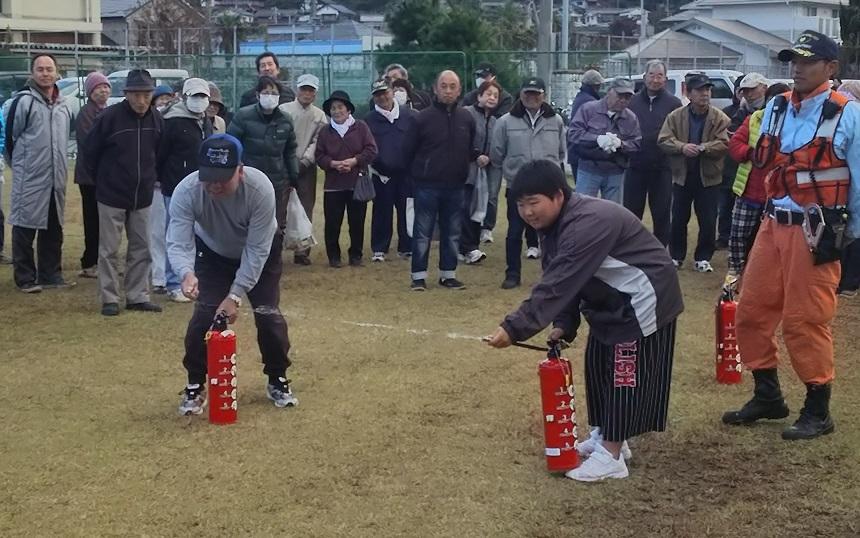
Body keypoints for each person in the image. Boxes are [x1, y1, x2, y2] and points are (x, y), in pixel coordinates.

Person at [485, 159, 683, 482]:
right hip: (612, 300)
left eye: (534, 203)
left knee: (624, 372)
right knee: (597, 362)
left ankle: (612, 455)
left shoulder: (586, 223)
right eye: (521, 205)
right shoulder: (552, 226)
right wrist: (564, 322)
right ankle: (605, 433)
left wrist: (513, 327)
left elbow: (558, 283)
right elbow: (561, 274)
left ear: (558, 196)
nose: (528, 212)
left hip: (645, 296)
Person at [722, 30, 860, 440]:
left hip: (817, 231)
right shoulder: (777, 107)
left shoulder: (848, 114)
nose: (796, 68)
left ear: (830, 68)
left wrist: (850, 237)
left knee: (806, 320)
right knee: (750, 312)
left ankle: (818, 410)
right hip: (773, 222)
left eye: (807, 61)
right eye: (792, 61)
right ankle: (768, 397)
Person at [169, 134, 297, 415]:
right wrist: (186, 273)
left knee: (268, 315)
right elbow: (178, 240)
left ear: (240, 170)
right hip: (212, 254)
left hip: (260, 254)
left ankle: (277, 378)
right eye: (208, 177)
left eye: (222, 178)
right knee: (204, 316)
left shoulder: (260, 189)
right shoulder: (187, 191)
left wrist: (235, 296)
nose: (214, 185)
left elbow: (256, 250)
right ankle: (195, 384)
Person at [84, 69, 163, 316]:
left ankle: (137, 295)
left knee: (142, 247)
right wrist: (102, 182)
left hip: (142, 195)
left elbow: (159, 153)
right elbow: (90, 152)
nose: (141, 100)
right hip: (111, 194)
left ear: (152, 94)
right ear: (126, 95)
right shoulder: (109, 118)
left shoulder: (157, 120)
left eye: (146, 94)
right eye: (136, 94)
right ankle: (109, 297)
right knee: (108, 249)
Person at [491, 77, 566, 289]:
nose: (532, 97)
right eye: (528, 93)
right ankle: (512, 274)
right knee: (514, 232)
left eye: (537, 93)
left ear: (544, 95)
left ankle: (552, 273)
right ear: (521, 94)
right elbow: (497, 154)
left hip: (547, 188)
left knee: (552, 234)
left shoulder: (556, 121)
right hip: (518, 186)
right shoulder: (504, 122)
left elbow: (561, 152)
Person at [403, 70, 475, 291]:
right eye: (443, 86)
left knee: (453, 232)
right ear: (435, 88)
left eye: (453, 86)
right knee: (422, 233)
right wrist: (417, 176)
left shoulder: (466, 118)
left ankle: (448, 274)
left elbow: (469, 148)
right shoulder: (421, 118)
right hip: (427, 185)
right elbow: (408, 151)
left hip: (456, 186)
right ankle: (418, 276)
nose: (448, 90)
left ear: (459, 89)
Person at [8, 54, 72, 293]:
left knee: (53, 227)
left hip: (56, 179)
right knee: (24, 227)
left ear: (56, 72)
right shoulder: (23, 102)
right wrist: (22, 166)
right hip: (30, 178)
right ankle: (25, 278)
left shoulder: (64, 104)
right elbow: (10, 139)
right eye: (40, 69)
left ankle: (50, 274)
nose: (45, 73)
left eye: (49, 69)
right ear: (32, 73)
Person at [658, 73, 730, 273]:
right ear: (688, 93)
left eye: (707, 90)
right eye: (699, 90)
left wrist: (704, 147)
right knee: (679, 218)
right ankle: (676, 256)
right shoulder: (675, 116)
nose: (704, 94)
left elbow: (725, 143)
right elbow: (663, 139)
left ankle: (703, 257)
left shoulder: (720, 117)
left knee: (708, 219)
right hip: (682, 175)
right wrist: (682, 147)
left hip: (709, 178)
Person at [155, 78, 214, 303]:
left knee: (202, 235)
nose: (199, 101)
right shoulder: (171, 121)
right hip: (175, 187)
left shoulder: (205, 120)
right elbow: (160, 153)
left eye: (203, 96)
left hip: (205, 186)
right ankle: (173, 282)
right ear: (184, 96)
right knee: (177, 235)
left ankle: (197, 279)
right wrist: (160, 178)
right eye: (195, 96)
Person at [725, 82, 790, 281]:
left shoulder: (794, 125)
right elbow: (735, 143)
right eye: (773, 100)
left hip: (777, 195)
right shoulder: (754, 118)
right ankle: (735, 270)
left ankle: (765, 274)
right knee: (738, 234)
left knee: (772, 239)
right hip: (749, 190)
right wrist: (752, 154)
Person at [315, 90, 378, 267]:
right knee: (332, 223)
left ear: (348, 109)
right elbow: (319, 156)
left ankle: (356, 255)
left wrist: (354, 161)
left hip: (356, 182)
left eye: (340, 107)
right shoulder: (325, 131)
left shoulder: (361, 127)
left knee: (357, 222)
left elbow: (371, 150)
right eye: (333, 108)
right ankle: (334, 256)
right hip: (333, 185)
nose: (337, 111)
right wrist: (333, 164)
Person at [228, 75, 299, 231]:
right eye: (266, 93)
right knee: (246, 222)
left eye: (274, 93)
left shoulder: (286, 120)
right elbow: (231, 146)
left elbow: (290, 151)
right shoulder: (243, 116)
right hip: (248, 180)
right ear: (257, 95)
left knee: (276, 225)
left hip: (277, 182)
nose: (270, 97)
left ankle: (274, 255)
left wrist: (294, 177)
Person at [624, 60, 682, 246]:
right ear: (644, 77)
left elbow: (678, 133)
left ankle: (660, 250)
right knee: (632, 212)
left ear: (665, 79)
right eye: (652, 75)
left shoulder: (674, 103)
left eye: (659, 76)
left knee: (662, 212)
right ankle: (630, 248)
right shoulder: (631, 101)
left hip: (662, 167)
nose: (655, 80)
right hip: (634, 166)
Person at [364, 79, 417, 262]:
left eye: (385, 92)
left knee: (407, 211)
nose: (382, 97)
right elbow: (368, 148)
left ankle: (407, 247)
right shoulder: (368, 120)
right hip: (382, 176)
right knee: (381, 212)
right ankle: (379, 248)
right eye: (378, 94)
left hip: (406, 175)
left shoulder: (409, 116)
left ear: (392, 92)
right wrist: (379, 167)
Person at [568, 78, 641, 204]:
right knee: (583, 209)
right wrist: (597, 139)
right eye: (620, 95)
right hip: (588, 169)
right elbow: (573, 134)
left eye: (627, 97)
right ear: (609, 92)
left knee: (613, 214)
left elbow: (636, 143)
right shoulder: (588, 110)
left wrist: (621, 144)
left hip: (616, 172)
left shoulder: (631, 118)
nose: (623, 100)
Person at [718, 74, 769, 249]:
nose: (749, 94)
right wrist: (752, 153)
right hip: (735, 170)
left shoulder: (773, 113)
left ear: (764, 88)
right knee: (728, 211)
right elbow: (732, 141)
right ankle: (724, 238)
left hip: (762, 181)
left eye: (752, 89)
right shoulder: (735, 112)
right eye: (745, 90)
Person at [281, 73, 327, 265]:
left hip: (306, 168)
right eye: (304, 89)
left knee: (306, 206)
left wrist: (305, 161)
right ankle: (277, 246)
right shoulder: (283, 110)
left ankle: (302, 251)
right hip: (283, 165)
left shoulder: (319, 115)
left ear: (315, 93)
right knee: (280, 206)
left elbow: (318, 141)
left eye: (311, 90)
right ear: (297, 89)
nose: (307, 93)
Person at [74, 72, 111, 280]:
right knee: (92, 220)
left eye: (106, 87)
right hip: (90, 177)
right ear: (90, 92)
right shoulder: (86, 113)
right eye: (98, 88)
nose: (103, 91)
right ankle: (89, 262)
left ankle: (102, 260)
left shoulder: (107, 111)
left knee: (106, 221)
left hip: (104, 176)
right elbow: (90, 144)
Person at [463, 80, 503, 249]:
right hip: (466, 168)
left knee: (481, 205)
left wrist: (488, 156)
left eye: (495, 95)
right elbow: (462, 139)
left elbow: (496, 145)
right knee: (465, 206)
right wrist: (476, 155)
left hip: (485, 170)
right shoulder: (467, 113)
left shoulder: (495, 121)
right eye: (488, 94)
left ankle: (473, 244)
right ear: (479, 96)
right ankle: (464, 246)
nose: (492, 98)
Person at [567, 69, 604, 176]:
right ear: (596, 86)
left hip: (575, 150)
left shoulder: (580, 97)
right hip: (582, 152)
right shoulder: (590, 102)